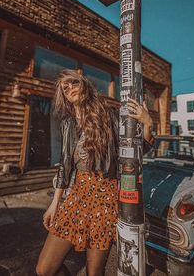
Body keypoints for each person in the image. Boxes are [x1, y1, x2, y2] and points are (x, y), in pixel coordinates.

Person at [36, 69, 154, 276]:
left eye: (73, 83)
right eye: (65, 88)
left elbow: (133, 154)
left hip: (105, 199)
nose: (69, 88)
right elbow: (65, 165)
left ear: (84, 85)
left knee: (94, 271)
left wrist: (148, 124)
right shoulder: (68, 124)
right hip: (76, 198)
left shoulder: (109, 116)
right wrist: (55, 203)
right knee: (44, 269)